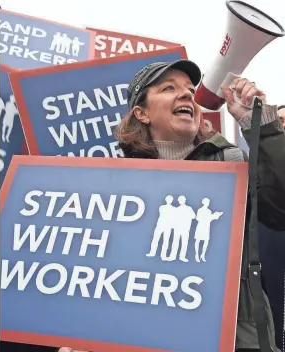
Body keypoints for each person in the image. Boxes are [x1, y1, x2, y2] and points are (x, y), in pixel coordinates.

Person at [57, 60, 285, 352]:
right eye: (169, 88)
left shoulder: (231, 161)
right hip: (140, 337)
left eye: (191, 90)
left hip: (235, 339)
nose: (188, 94)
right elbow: (96, 274)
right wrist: (80, 336)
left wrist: (262, 126)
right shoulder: (114, 184)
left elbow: (279, 212)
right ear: (141, 112)